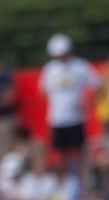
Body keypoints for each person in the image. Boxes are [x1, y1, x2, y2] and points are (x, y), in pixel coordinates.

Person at [38, 34, 100, 174]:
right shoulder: (50, 69)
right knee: (60, 153)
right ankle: (67, 183)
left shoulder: (80, 66)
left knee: (81, 152)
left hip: (76, 117)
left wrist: (88, 104)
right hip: (57, 118)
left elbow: (97, 85)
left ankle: (83, 182)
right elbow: (43, 90)